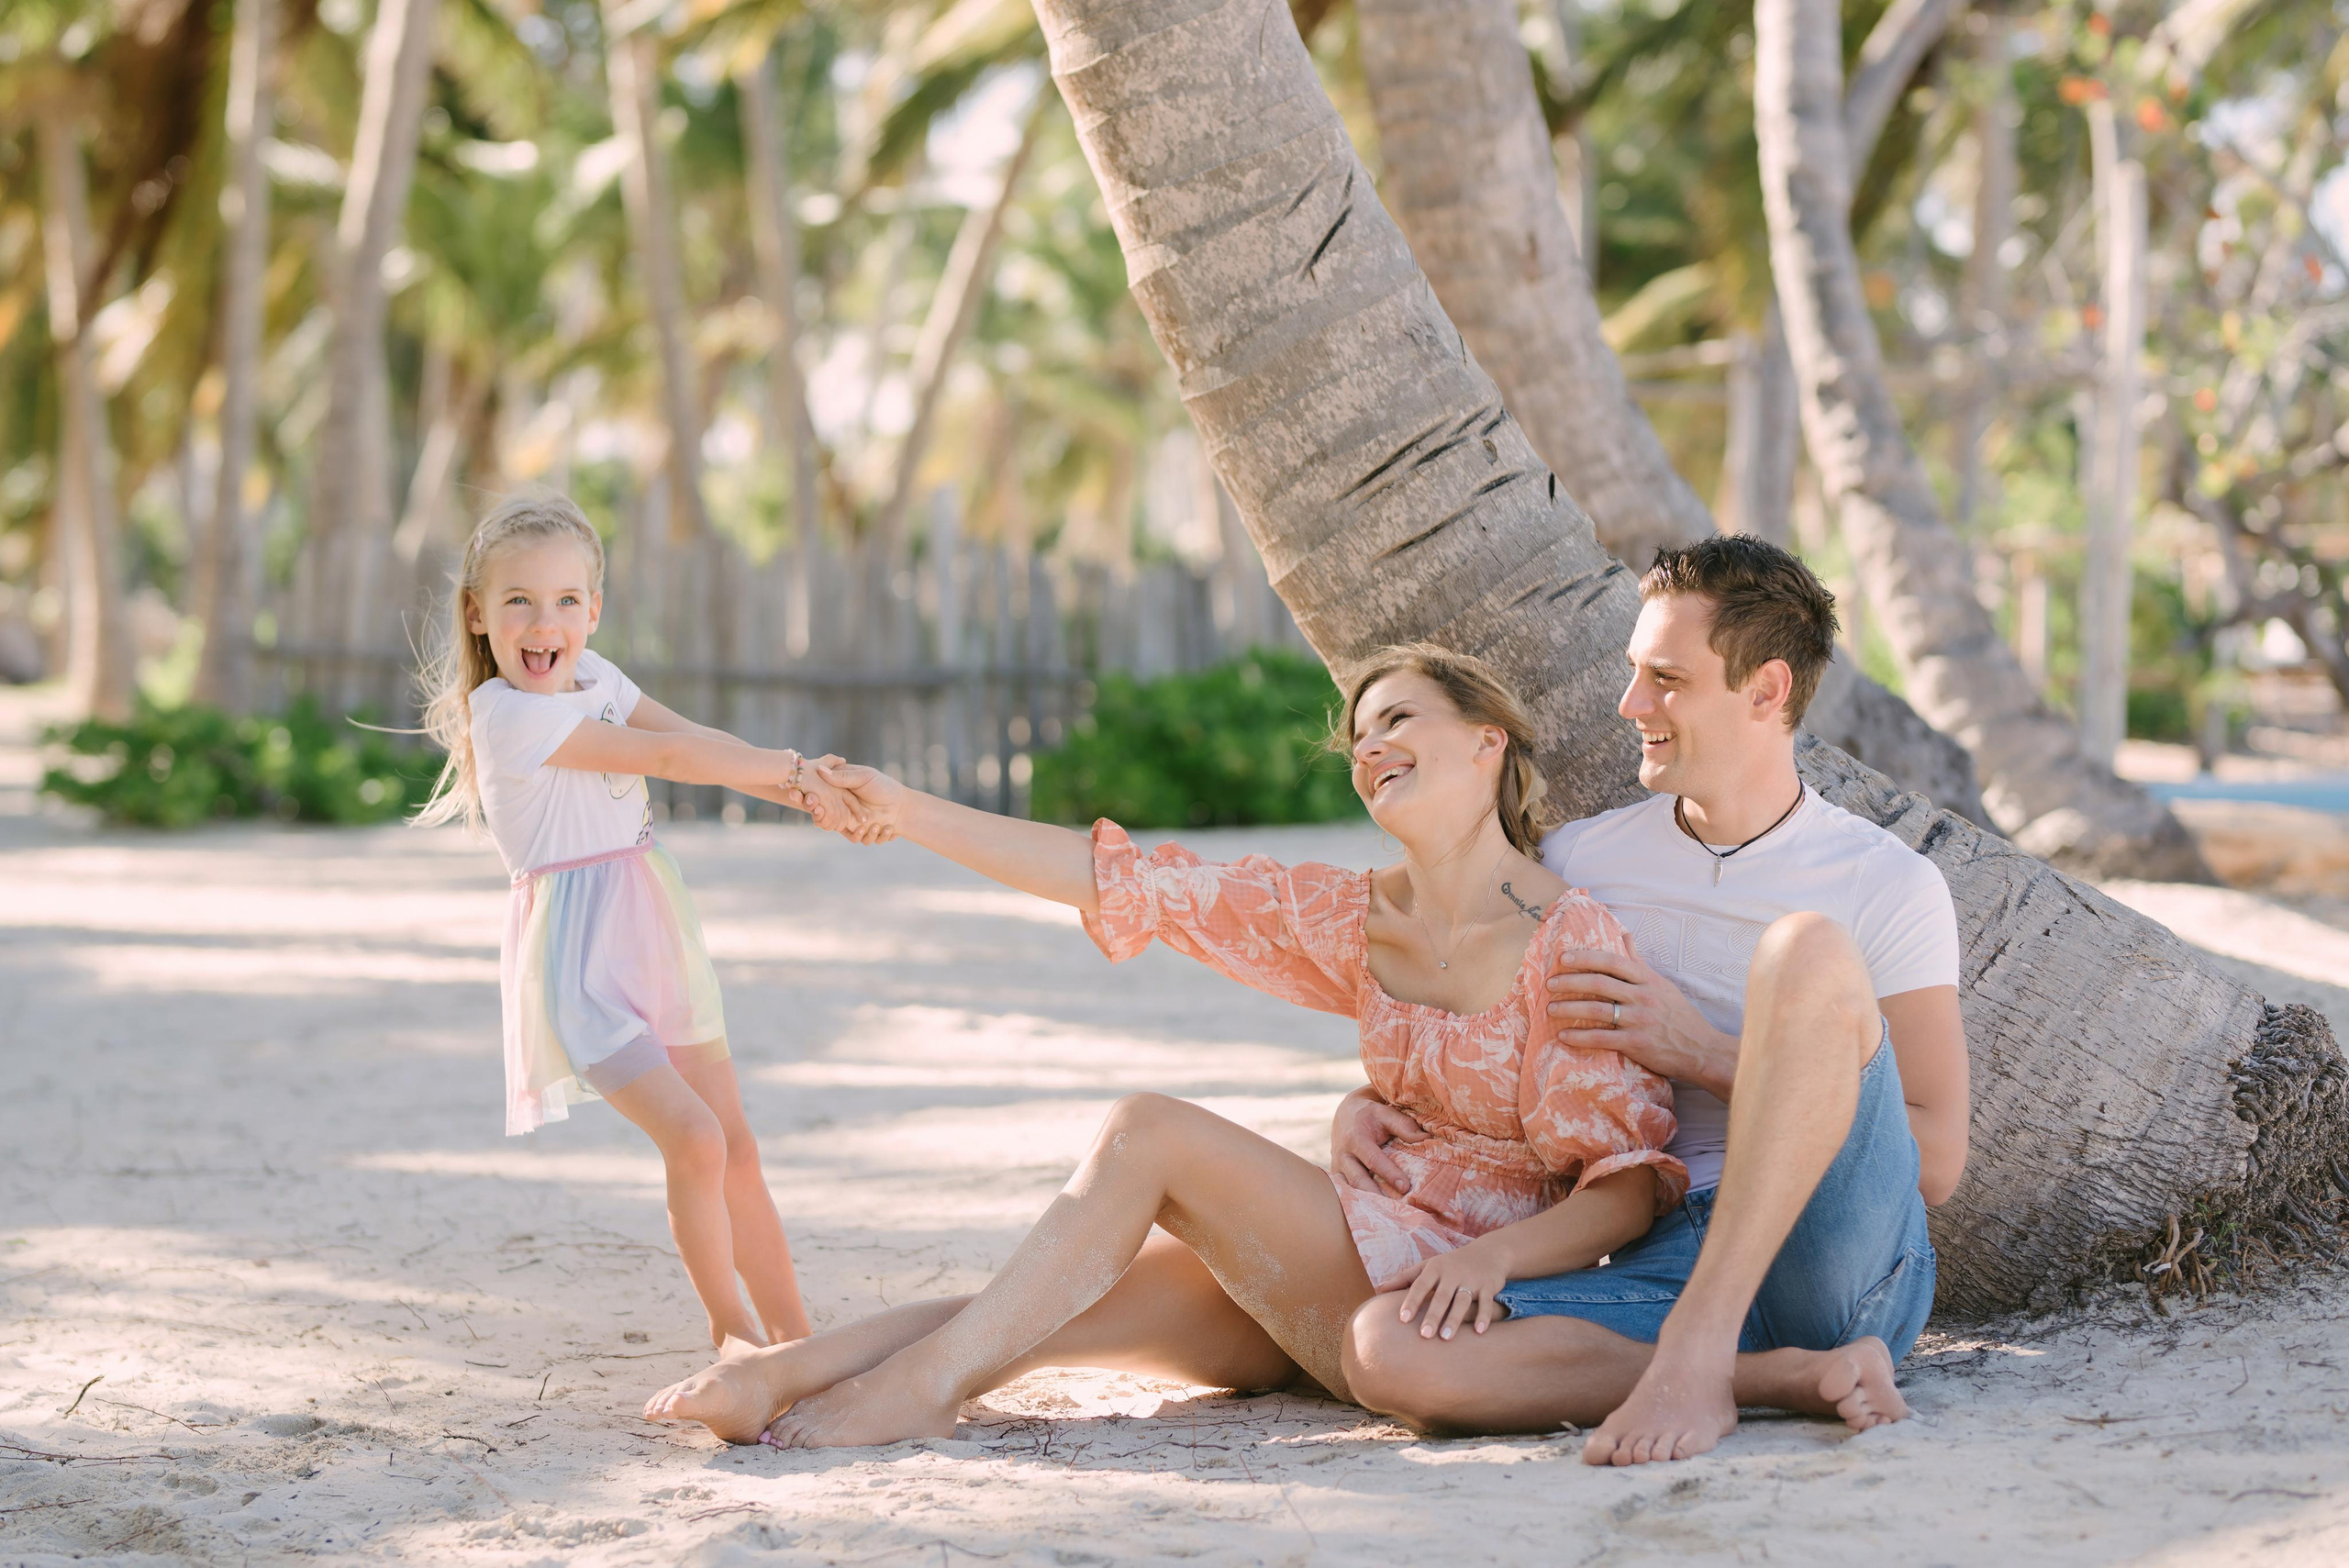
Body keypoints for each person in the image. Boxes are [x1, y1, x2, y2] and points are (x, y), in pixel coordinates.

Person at [643, 645, 1688, 1449]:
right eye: (1359, 738)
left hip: (1447, 1302)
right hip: (1344, 1267)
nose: (1368, 748)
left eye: (1397, 720)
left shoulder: (1570, 935)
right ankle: (787, 1369)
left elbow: (1627, 1183)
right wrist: (908, 809)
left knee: (1147, 1129)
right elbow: (1122, 880)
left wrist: (1494, 1254)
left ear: (1486, 740)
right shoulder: (1346, 915)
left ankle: (921, 1389)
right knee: (1037, 1305)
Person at [1334, 536, 1970, 1464]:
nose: (1632, 704)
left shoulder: (1884, 882)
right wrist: (1369, 1105)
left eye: (1666, 678)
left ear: (1766, 691)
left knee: (1803, 949)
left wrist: (1700, 1049)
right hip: (1661, 1250)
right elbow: (1480, 1029)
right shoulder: (1582, 863)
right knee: (1388, 1348)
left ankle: (1702, 1347)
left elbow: (1937, 1159)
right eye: (1634, 672)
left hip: (1835, 1251)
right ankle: (1769, 1374)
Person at [412, 494, 860, 1351]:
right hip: (583, 961)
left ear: (595, 608)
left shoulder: (598, 678)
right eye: (518, 601)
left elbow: (693, 734)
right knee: (693, 1139)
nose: (545, 623)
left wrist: (810, 790)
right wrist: (795, 767)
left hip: (654, 931)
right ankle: (733, 1338)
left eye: (566, 601)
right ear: (477, 613)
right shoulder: (508, 715)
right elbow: (664, 758)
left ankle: (800, 1343)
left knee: (737, 1146)